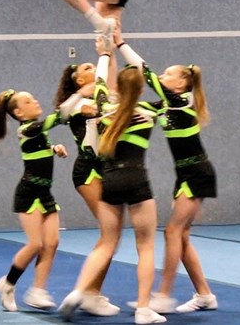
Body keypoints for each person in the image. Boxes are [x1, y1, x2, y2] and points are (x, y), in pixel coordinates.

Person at [58, 36, 167, 325]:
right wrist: (121, 45)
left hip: (109, 180)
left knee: (107, 241)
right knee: (146, 246)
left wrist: (104, 54)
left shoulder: (105, 108)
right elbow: (150, 75)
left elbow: (101, 83)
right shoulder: (149, 111)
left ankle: (79, 291)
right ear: (141, 88)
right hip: (137, 178)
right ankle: (143, 309)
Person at [113, 25, 219, 315]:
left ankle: (163, 294)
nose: (161, 75)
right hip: (183, 174)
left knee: (172, 232)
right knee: (180, 236)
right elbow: (135, 106)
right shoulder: (165, 106)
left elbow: (145, 72)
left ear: (182, 83)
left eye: (168, 74)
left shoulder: (182, 102)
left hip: (197, 172)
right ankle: (205, 295)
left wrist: (121, 44)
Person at [0, 89, 68, 312]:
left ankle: (38, 290)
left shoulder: (36, 132)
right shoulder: (25, 129)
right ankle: (7, 284)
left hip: (45, 192)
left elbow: (37, 149)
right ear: (19, 113)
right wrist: (76, 99)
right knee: (36, 244)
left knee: (52, 242)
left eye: (34, 98)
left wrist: (54, 149)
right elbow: (54, 120)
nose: (35, 101)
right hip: (29, 193)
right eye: (28, 101)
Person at [51, 59, 121, 317]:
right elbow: (63, 113)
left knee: (111, 233)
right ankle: (88, 293)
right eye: (87, 68)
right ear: (79, 80)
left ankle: (91, 292)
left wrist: (109, 53)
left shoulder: (103, 98)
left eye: (94, 66)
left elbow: (112, 84)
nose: (94, 70)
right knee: (110, 232)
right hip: (88, 171)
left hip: (106, 170)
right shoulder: (80, 104)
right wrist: (81, 94)